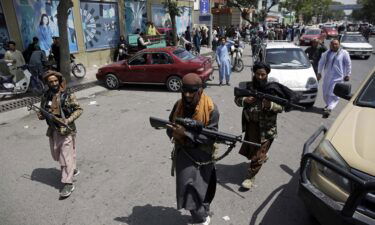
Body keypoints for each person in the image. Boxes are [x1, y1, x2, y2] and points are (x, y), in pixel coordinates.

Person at [167, 73, 219, 225]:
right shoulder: (178, 105)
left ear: (200, 90)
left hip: (203, 154)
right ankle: (200, 218)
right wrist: (174, 132)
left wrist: (187, 134)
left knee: (203, 188)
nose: (188, 95)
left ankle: (202, 214)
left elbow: (211, 136)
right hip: (184, 154)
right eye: (185, 91)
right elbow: (169, 125)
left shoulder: (211, 108)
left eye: (192, 91)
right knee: (188, 189)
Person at [234, 62, 296, 190]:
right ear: (254, 74)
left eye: (263, 74)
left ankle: (250, 176)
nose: (260, 77)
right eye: (258, 74)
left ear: (267, 74)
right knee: (252, 150)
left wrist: (270, 105)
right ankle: (263, 155)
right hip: (251, 125)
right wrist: (245, 100)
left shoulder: (273, 89)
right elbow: (237, 100)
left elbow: (282, 107)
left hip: (266, 128)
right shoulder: (249, 87)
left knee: (258, 154)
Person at [37, 70, 83, 198]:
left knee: (65, 156)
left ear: (59, 81)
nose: (54, 83)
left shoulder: (67, 94)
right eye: (51, 82)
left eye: (56, 81)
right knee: (57, 153)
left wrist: (67, 120)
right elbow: (43, 111)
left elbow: (79, 109)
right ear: (47, 83)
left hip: (66, 130)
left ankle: (68, 183)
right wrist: (41, 115)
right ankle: (72, 169)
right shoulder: (46, 96)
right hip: (53, 130)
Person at [318, 39, 351, 118]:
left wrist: (348, 74)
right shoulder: (326, 53)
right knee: (325, 93)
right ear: (330, 45)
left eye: (336, 44)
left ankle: (329, 108)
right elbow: (321, 63)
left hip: (338, 77)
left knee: (334, 94)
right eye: (332, 44)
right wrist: (319, 73)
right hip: (327, 77)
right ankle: (329, 105)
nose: (334, 45)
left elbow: (348, 64)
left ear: (339, 45)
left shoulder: (344, 53)